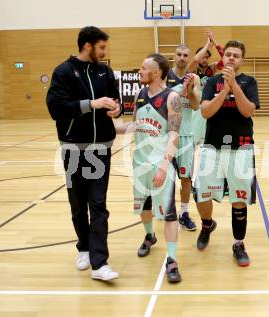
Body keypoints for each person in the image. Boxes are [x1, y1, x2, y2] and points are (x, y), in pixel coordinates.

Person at [46, 26, 121, 281]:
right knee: (78, 205)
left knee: (98, 204)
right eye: (101, 47)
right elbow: (56, 108)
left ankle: (100, 264)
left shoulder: (105, 71)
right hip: (73, 149)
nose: (104, 52)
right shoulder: (64, 71)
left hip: (101, 148)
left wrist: (115, 109)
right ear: (87, 46)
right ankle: (84, 247)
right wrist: (91, 104)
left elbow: (116, 100)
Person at [116, 53, 183, 283]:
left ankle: (172, 259)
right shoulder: (140, 95)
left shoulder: (172, 97)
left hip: (161, 164)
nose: (140, 71)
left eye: (143, 68)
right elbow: (136, 123)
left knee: (169, 214)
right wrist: (112, 128)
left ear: (155, 73)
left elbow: (174, 134)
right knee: (144, 208)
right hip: (140, 163)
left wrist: (164, 167)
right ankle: (149, 236)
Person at [194, 40, 259, 267]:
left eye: (236, 55)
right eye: (228, 54)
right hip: (212, 147)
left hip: (240, 149)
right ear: (223, 58)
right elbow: (205, 112)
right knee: (201, 194)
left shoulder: (249, 82)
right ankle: (207, 224)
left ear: (241, 60)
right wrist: (224, 91)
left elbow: (248, 110)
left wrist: (235, 87)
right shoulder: (212, 82)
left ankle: (238, 244)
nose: (231, 58)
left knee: (239, 199)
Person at [166, 45, 201, 232]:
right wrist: (180, 93)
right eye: (179, 54)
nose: (182, 57)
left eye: (185, 55)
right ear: (174, 57)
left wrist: (190, 91)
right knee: (167, 177)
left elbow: (196, 106)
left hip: (187, 134)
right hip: (167, 134)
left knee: (186, 177)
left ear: (189, 58)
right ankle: (167, 210)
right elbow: (162, 104)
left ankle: (184, 213)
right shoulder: (165, 77)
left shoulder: (193, 78)